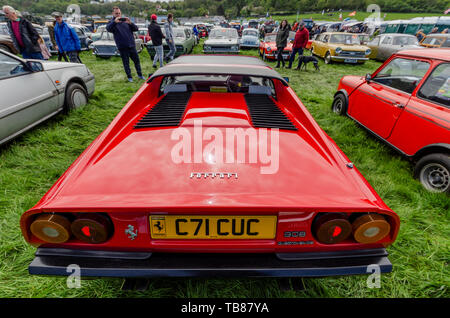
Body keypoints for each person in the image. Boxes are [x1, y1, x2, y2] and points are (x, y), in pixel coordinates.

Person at [106, 6, 145, 82]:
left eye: (119, 13)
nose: (118, 15)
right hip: (123, 47)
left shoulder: (125, 21)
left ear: (121, 13)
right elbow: (108, 29)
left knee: (137, 61)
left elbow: (136, 29)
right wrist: (114, 22)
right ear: (113, 13)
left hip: (131, 45)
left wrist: (130, 23)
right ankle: (129, 77)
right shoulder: (111, 23)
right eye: (116, 13)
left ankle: (140, 75)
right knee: (126, 63)